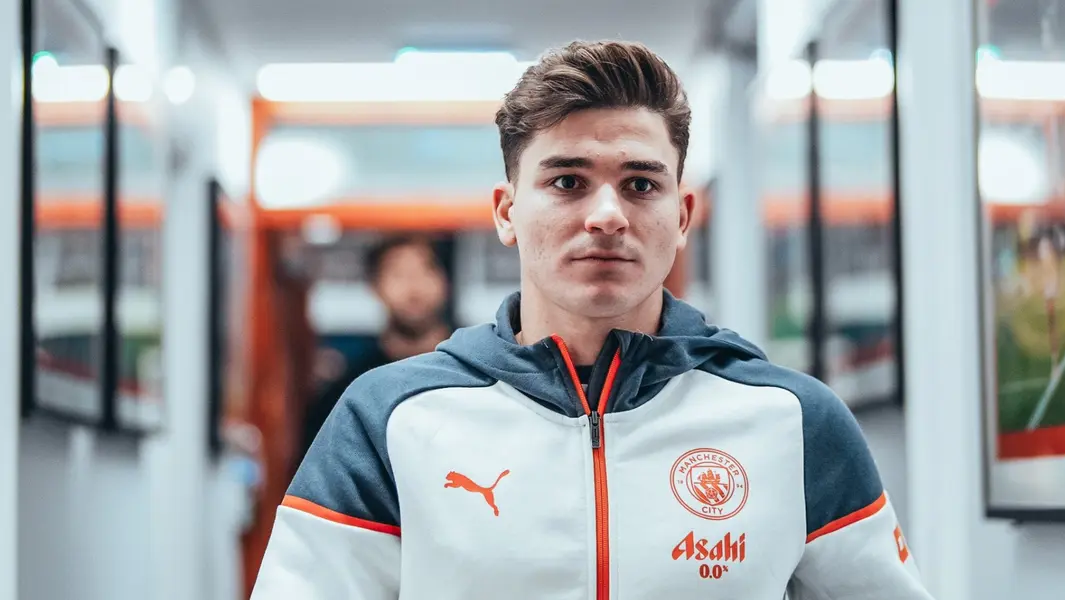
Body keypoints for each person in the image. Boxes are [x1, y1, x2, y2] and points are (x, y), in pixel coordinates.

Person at [252, 40, 933, 599]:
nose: (607, 215)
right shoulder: (388, 418)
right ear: (506, 211)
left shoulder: (794, 420)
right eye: (567, 181)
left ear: (682, 216)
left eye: (640, 183)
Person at [296, 234, 453, 462]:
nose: (414, 287)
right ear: (374, 286)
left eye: (425, 270)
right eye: (398, 274)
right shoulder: (348, 393)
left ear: (445, 280)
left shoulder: (477, 377)